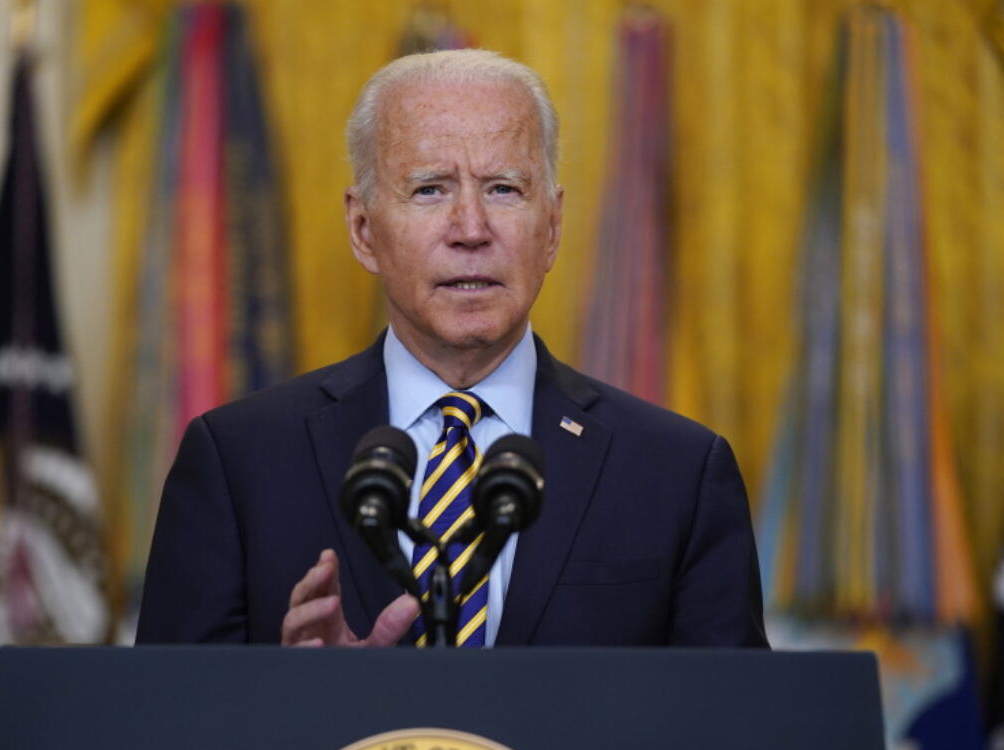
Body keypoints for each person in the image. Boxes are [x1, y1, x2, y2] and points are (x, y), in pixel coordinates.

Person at [136, 49, 767, 649]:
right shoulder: (237, 463)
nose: (471, 230)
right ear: (363, 231)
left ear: (551, 229)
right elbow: (163, 734)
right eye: (430, 189)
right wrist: (301, 700)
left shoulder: (677, 473)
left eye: (504, 190)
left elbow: (735, 738)